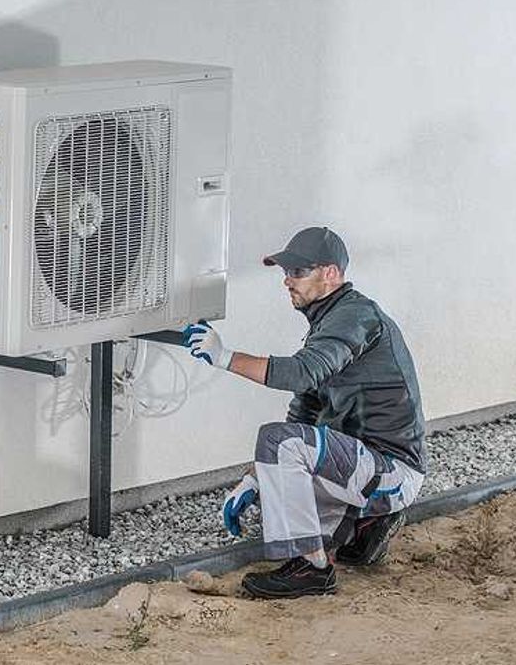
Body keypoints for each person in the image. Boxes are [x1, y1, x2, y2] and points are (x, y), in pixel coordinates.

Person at [182, 226, 427, 599]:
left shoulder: (356, 316)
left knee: (277, 445)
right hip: (365, 466)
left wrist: (224, 357)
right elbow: (303, 415)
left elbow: (302, 373)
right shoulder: (328, 325)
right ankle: (363, 529)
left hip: (392, 470)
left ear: (330, 273)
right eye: (286, 272)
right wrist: (254, 479)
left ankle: (310, 570)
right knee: (277, 480)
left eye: (298, 272)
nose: (287, 281)